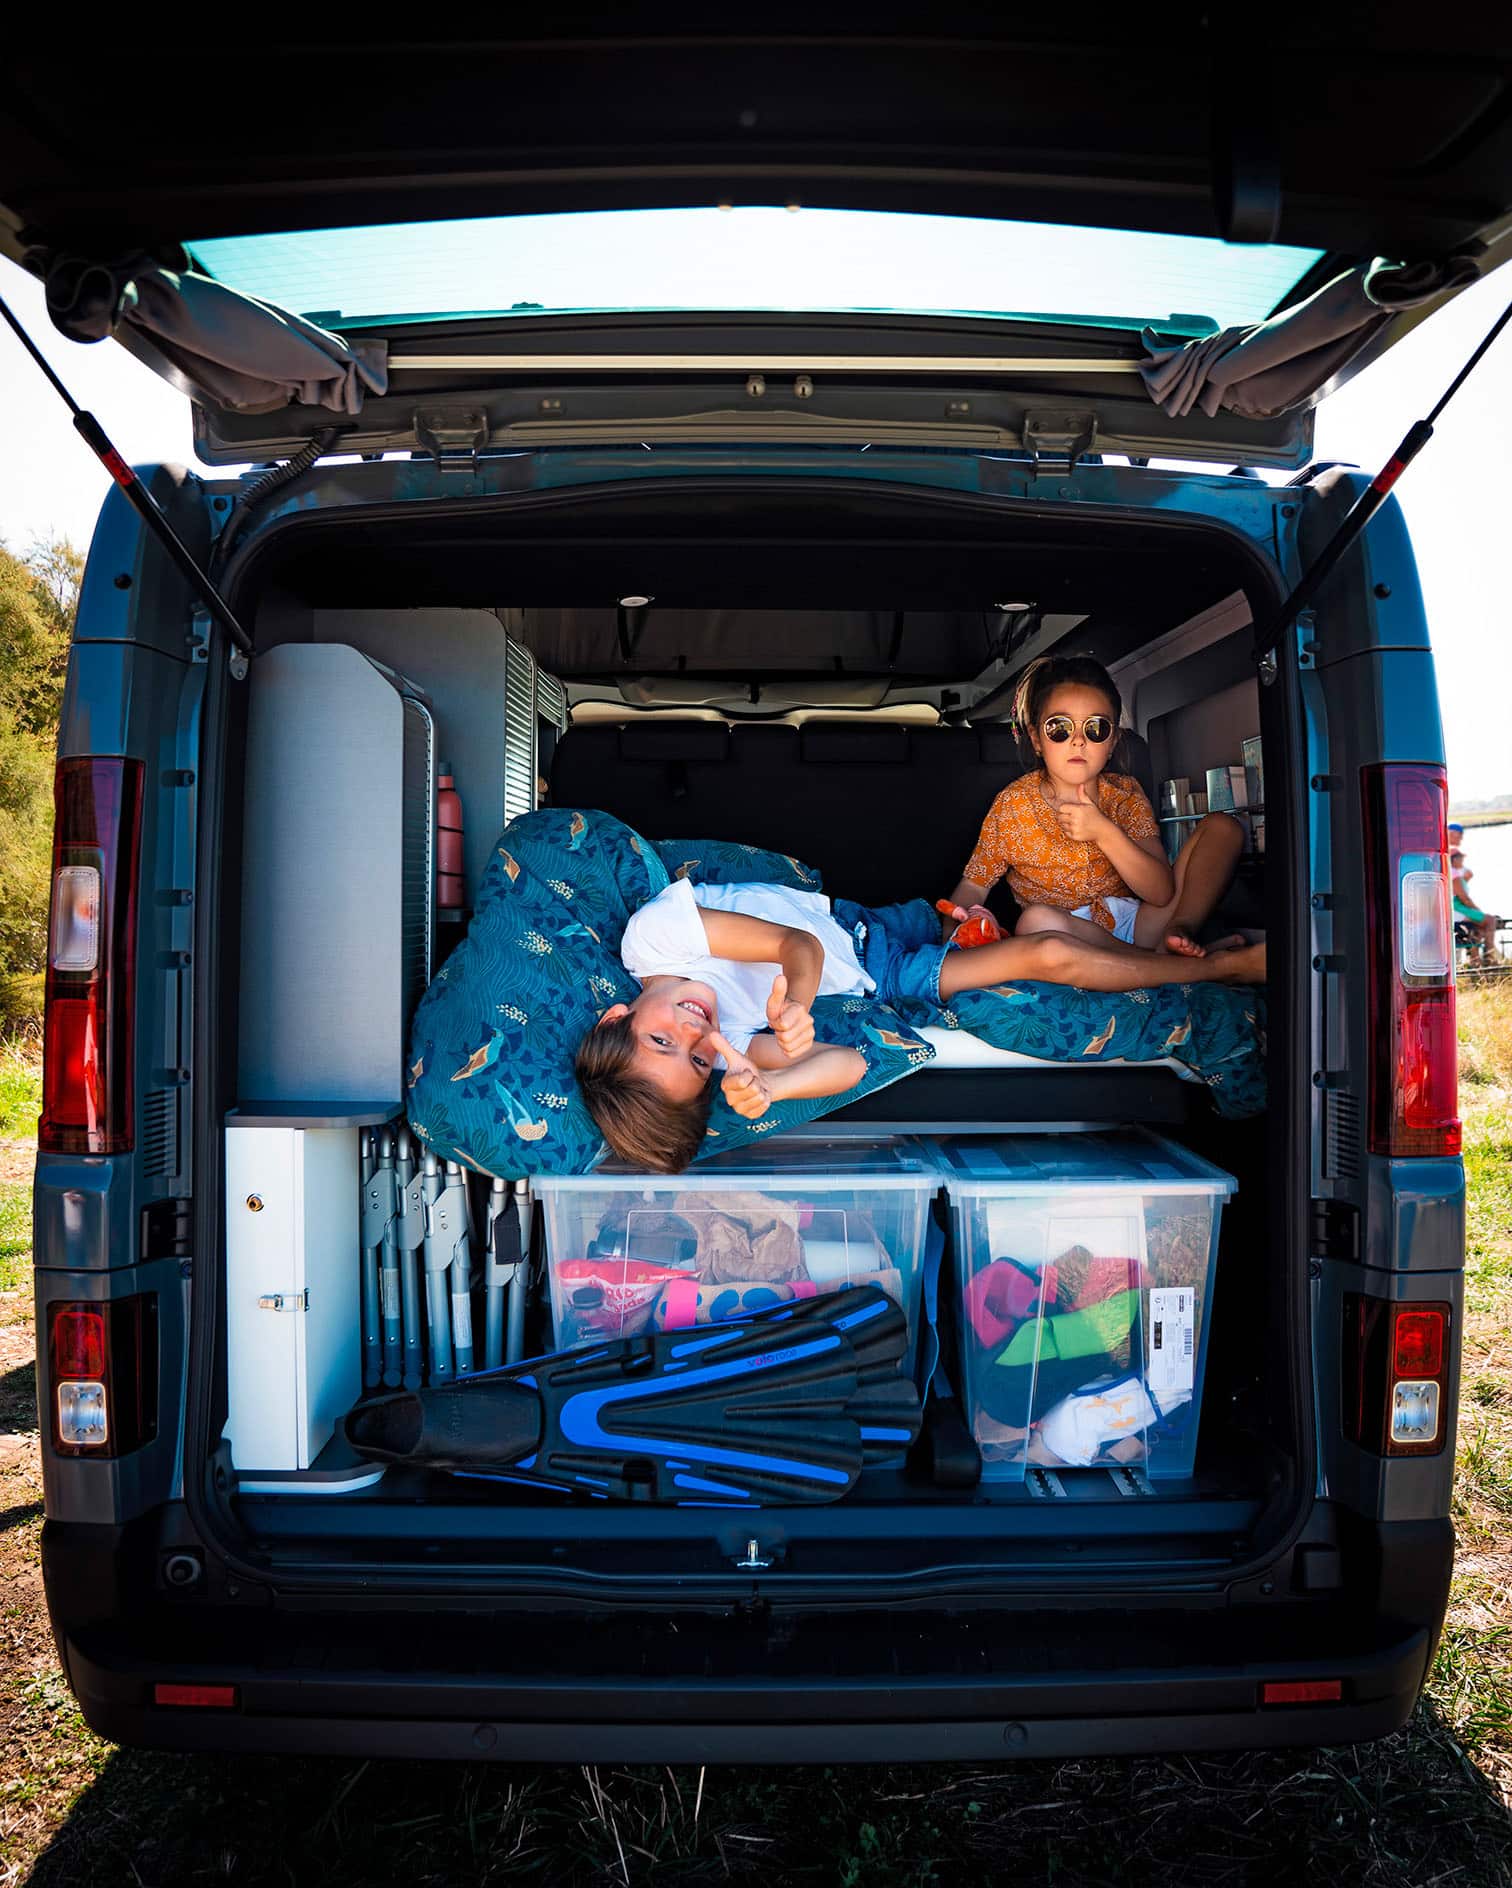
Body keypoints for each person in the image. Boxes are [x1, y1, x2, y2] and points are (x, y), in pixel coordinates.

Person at [575, 874, 1266, 1171]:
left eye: (662, 1039)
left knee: (1032, 941)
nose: (696, 1035)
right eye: (696, 1061)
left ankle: (1210, 967)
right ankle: (1211, 972)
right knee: (1047, 951)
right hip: (887, 981)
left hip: (864, 933)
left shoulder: (654, 941)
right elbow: (851, 1067)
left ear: (618, 1013)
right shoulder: (729, 1049)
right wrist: (774, 1085)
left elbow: (798, 948)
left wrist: (796, 1005)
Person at [941, 655, 1247, 959]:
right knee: (1035, 922)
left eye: (1095, 728)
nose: (1078, 741)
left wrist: (1105, 832)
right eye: (1059, 728)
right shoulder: (1013, 805)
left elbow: (1161, 892)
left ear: (1112, 741)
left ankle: (1178, 935)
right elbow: (974, 885)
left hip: (1137, 924)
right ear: (1036, 739)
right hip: (1068, 940)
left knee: (1224, 827)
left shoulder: (1124, 793)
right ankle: (1158, 963)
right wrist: (954, 936)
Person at [1450, 845, 1499, 963]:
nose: (1462, 861)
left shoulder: (1451, 872)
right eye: (1460, 858)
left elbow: (1469, 874)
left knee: (1480, 929)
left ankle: (1475, 961)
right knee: (1490, 920)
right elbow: (1464, 898)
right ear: (1454, 859)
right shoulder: (1454, 874)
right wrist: (1478, 911)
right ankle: (1490, 957)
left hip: (1455, 908)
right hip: (1457, 908)